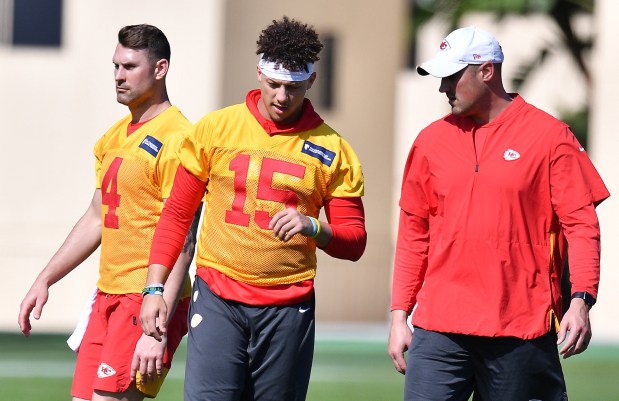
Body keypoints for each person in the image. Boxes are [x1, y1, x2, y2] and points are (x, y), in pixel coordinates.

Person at [139, 16, 367, 401]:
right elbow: (178, 214)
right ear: (259, 72)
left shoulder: (334, 150)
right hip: (219, 295)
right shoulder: (216, 128)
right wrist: (154, 287)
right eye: (274, 84)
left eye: (293, 87)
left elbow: (354, 241)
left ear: (311, 82)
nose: (281, 96)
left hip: (287, 304)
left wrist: (313, 226)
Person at [388, 26, 609, 401]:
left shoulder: (551, 137)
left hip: (520, 328)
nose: (444, 88)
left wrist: (580, 301)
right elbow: (414, 233)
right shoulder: (429, 141)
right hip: (439, 330)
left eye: (453, 77)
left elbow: (582, 226)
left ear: (486, 71)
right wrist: (398, 314)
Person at [18, 24, 200, 401]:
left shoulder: (180, 137)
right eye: (115, 66)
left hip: (146, 299)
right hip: (107, 296)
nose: (118, 75)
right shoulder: (112, 137)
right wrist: (45, 279)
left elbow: (184, 236)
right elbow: (96, 217)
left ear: (160, 69)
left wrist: (158, 324)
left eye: (130, 66)